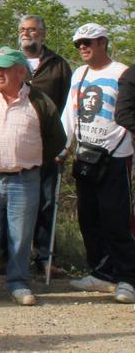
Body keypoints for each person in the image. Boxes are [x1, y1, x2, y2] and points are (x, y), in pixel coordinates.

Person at [0, 47, 65, 306]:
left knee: (21, 235)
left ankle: (18, 284)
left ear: (21, 72)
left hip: (24, 180)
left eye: (4, 69)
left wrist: (31, 158)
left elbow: (56, 139)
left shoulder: (39, 102)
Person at [62, 23, 134, 304]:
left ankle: (128, 277)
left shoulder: (123, 73)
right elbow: (71, 111)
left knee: (116, 220)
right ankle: (102, 272)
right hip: (85, 155)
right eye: (79, 43)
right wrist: (63, 146)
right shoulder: (80, 73)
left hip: (115, 156)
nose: (82, 47)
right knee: (88, 218)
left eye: (88, 42)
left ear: (103, 42)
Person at [17, 14, 74, 276]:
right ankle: (10, 257)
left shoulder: (58, 66)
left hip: (48, 146)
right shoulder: (9, 62)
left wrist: (64, 145)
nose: (28, 33)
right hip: (16, 145)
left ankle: (43, 258)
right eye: (24, 29)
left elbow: (68, 107)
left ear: (43, 34)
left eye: (33, 30)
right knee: (15, 202)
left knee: (46, 202)